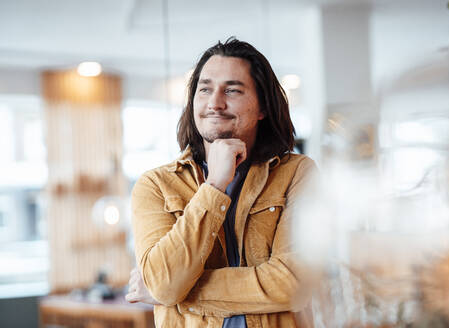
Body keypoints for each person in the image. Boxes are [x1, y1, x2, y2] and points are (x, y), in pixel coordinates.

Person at [125, 37, 316, 328]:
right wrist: (214, 186)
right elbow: (163, 285)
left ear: (262, 106)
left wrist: (178, 293)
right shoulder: (155, 185)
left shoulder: (297, 174)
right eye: (205, 89)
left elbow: (293, 283)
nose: (215, 103)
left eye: (232, 90)